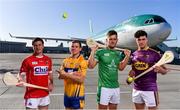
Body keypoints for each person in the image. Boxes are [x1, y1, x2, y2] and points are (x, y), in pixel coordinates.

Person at [88, 30, 131, 109]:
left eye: (114, 39)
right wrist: (93, 51)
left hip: (115, 87)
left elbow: (121, 68)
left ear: (117, 40)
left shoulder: (117, 54)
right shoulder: (100, 52)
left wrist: (127, 57)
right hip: (104, 87)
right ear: (106, 40)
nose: (112, 41)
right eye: (110, 39)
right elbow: (91, 66)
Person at [127, 30, 168, 110]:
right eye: (139, 39)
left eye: (143, 39)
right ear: (136, 40)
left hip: (150, 89)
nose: (141, 41)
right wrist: (129, 78)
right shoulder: (133, 55)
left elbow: (165, 71)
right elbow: (132, 74)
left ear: (147, 40)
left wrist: (160, 70)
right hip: (137, 89)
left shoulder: (155, 54)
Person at [18, 38, 53, 110]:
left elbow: (50, 74)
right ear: (33, 47)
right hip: (31, 95)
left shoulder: (48, 60)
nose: (38, 47)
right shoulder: (27, 60)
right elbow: (21, 75)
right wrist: (21, 80)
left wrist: (51, 84)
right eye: (35, 45)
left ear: (43, 46)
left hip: (44, 93)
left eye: (40, 45)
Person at [57, 40, 88, 109]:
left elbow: (81, 80)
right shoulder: (65, 60)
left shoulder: (82, 61)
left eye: (76, 47)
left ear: (80, 48)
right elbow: (59, 76)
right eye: (72, 46)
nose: (74, 48)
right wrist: (72, 74)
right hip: (67, 93)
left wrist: (66, 74)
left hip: (77, 95)